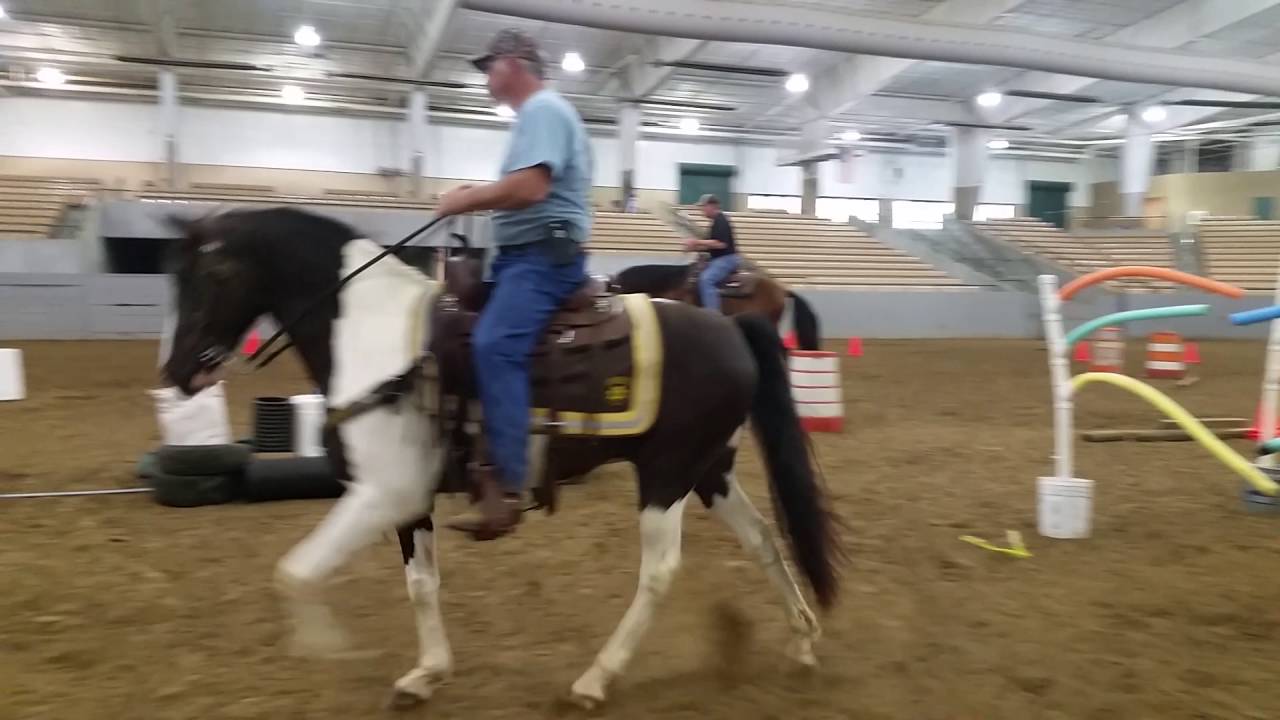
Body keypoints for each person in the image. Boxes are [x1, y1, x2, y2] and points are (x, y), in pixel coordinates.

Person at [434, 28, 591, 540]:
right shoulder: (533, 117)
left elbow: (530, 187)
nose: (485, 75)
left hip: (543, 257)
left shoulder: (544, 111)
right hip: (521, 258)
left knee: (495, 344)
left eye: (489, 65)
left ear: (516, 63)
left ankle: (509, 485)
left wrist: (465, 199)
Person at [683, 194, 738, 311]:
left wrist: (696, 242)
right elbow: (710, 246)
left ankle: (713, 314)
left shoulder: (721, 220)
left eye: (703, 206)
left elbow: (721, 244)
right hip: (718, 259)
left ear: (712, 206)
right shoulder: (714, 222)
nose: (701, 210)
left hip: (726, 259)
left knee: (706, 280)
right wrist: (694, 247)